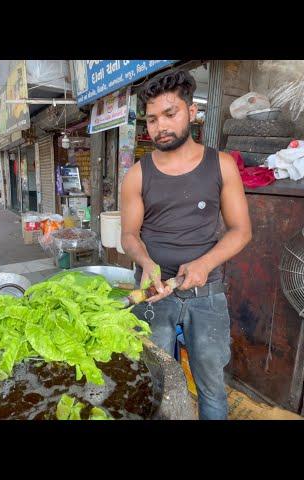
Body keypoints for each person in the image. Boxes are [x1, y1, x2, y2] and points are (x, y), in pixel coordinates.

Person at [120, 70, 252, 420]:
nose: (160, 126)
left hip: (206, 295)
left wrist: (205, 264)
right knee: (157, 385)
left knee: (211, 387)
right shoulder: (137, 173)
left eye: (170, 114)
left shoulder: (221, 165)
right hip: (153, 294)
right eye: (151, 119)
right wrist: (146, 264)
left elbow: (241, 231)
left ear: (192, 112)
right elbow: (129, 236)